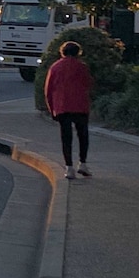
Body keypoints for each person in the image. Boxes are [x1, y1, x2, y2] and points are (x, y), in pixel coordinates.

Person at [44, 41, 94, 179]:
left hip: (62, 106)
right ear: (78, 52)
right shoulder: (82, 67)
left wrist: (51, 108)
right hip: (80, 105)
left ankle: (69, 168)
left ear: (62, 52)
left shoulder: (55, 67)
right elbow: (89, 83)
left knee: (66, 137)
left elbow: (48, 90)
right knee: (83, 135)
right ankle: (82, 163)